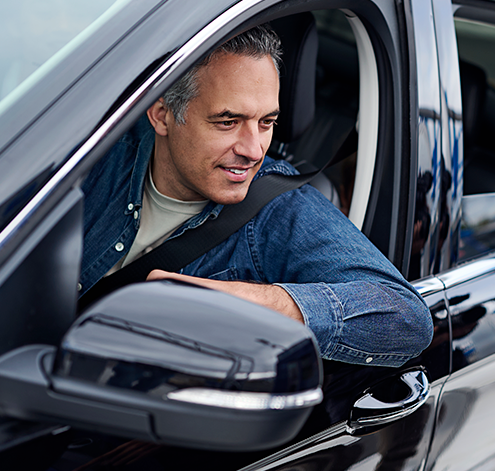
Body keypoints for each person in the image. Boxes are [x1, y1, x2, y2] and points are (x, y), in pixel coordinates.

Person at [79, 26, 433, 367]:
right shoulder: (95, 151)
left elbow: (406, 319)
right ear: (162, 115)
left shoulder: (278, 209)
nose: (253, 150)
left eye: (267, 123)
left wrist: (240, 303)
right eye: (227, 122)